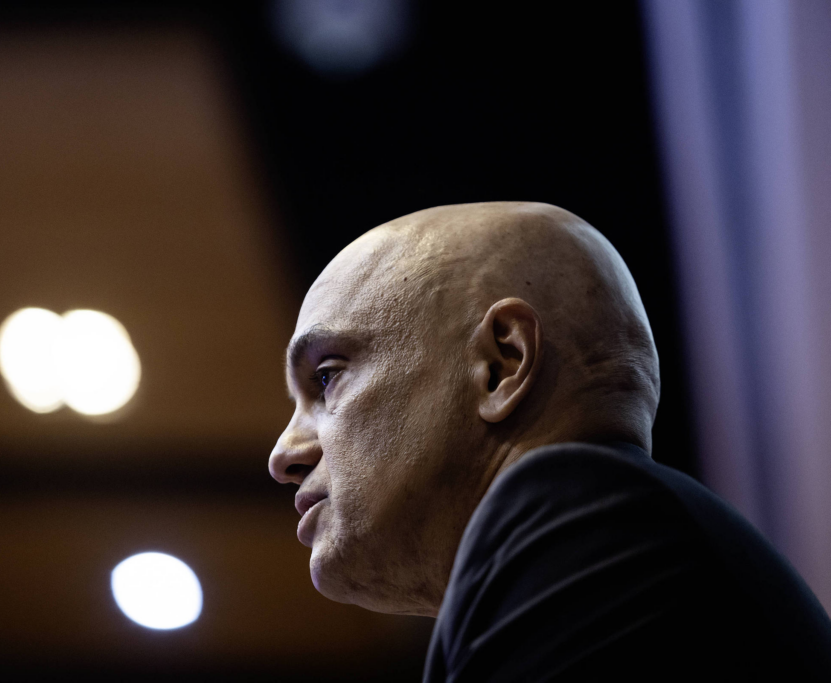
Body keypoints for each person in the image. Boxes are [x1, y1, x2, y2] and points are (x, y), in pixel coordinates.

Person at [268, 202, 831, 681]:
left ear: (502, 364)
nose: (283, 454)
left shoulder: (585, 528)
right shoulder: (615, 540)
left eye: (327, 377)